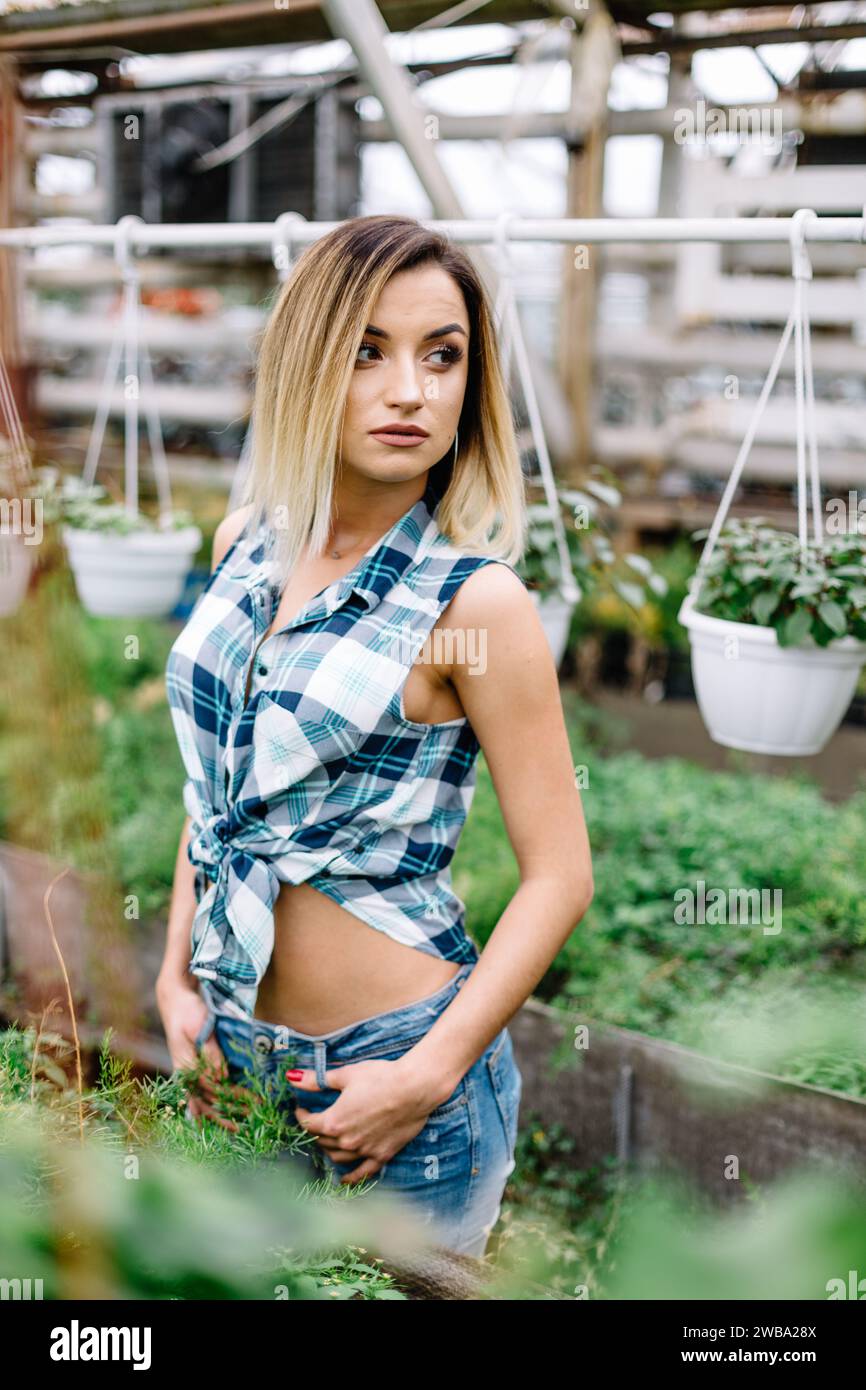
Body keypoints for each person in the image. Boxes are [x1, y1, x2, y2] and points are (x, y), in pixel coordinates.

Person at [158, 214, 594, 1259]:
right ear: (307, 363)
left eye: (440, 355)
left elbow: (559, 875)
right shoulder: (244, 544)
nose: (411, 390)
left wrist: (426, 1075)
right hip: (235, 1051)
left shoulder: (472, 602)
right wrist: (175, 977)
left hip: (397, 1077)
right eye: (368, 351)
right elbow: (217, 795)